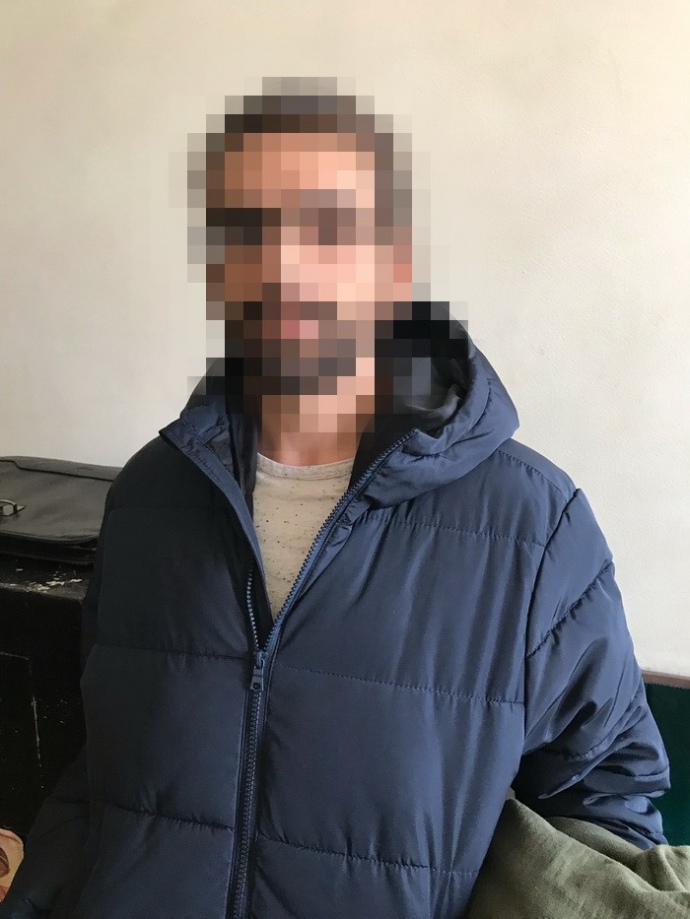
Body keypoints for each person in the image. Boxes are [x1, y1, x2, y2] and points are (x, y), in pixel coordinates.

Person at [0, 78, 671, 919]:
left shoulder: (534, 528)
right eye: (249, 229)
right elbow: (103, 773)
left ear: (395, 263)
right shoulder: (147, 497)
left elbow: (605, 808)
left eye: (326, 225)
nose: (285, 265)